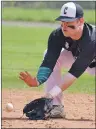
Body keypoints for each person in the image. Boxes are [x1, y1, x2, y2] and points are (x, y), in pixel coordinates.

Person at [19, 2, 96, 118]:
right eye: (62, 22)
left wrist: (49, 95)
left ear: (81, 21)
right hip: (78, 59)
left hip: (92, 64)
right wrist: (37, 81)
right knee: (49, 54)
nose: (64, 26)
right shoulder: (57, 35)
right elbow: (49, 60)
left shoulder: (92, 40)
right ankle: (56, 106)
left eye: (69, 22)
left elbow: (73, 73)